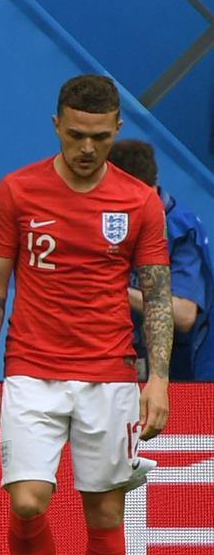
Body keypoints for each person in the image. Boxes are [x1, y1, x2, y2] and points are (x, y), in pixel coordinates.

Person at [0, 75, 173, 555]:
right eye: (77, 135)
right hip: (31, 370)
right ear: (56, 125)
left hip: (110, 375)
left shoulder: (139, 202)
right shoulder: (17, 190)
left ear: (117, 131)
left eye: (101, 137)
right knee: (27, 502)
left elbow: (158, 298)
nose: (88, 148)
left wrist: (156, 379)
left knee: (105, 513)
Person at [108, 139, 214, 381]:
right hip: (121, 366)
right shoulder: (105, 221)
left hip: (187, 374)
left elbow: (184, 314)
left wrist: (112, 289)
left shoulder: (180, 229)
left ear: (152, 187)